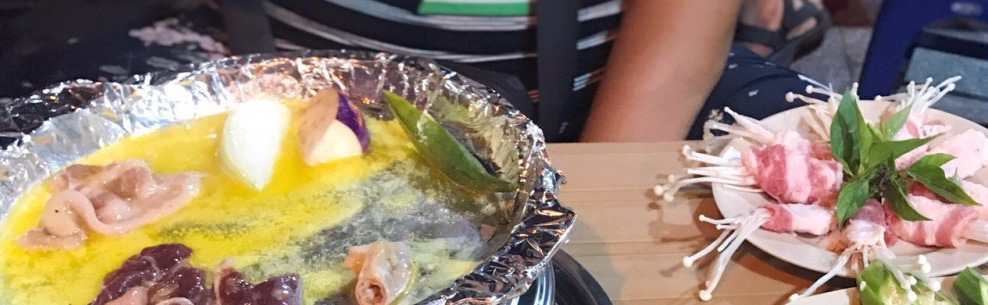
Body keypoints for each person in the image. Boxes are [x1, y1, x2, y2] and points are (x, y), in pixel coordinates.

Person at [258, 0, 830, 141]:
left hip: (610, 84)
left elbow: (680, 36)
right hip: (287, 100)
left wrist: (602, 190)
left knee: (850, 177)